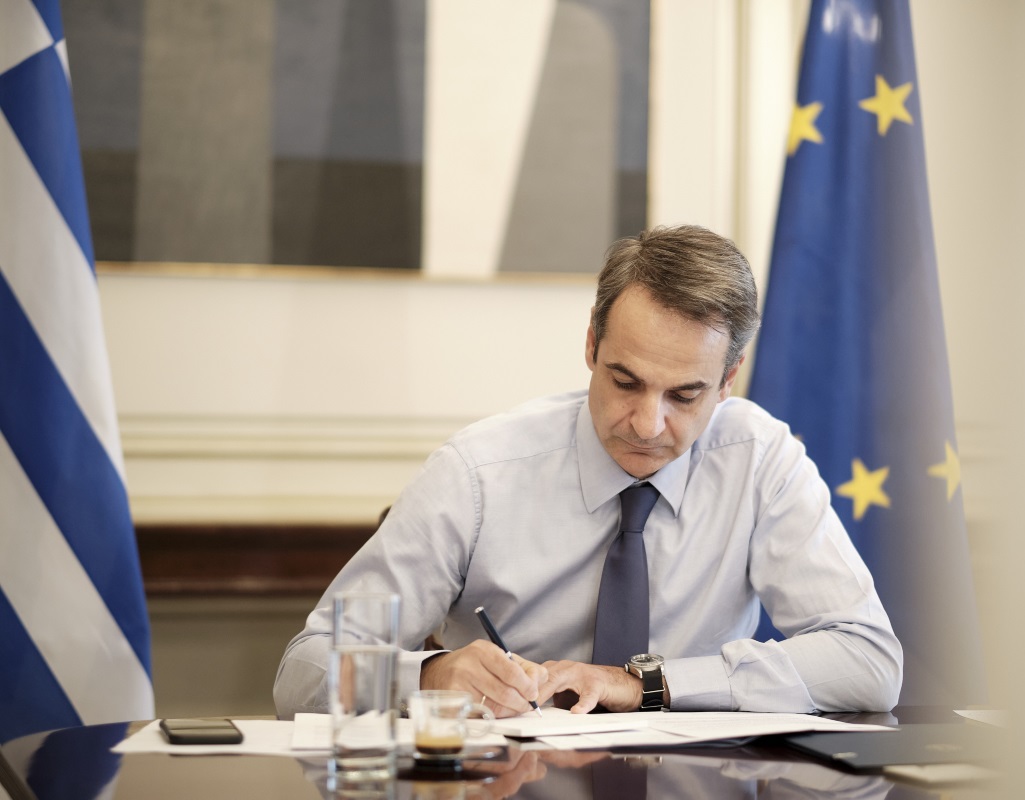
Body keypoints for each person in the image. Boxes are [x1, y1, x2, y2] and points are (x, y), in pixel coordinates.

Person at [274, 225, 901, 720]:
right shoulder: (478, 473)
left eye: (685, 395)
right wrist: (429, 676)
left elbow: (870, 661)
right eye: (625, 382)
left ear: (728, 380)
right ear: (592, 344)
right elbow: (303, 673)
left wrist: (648, 684)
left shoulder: (760, 461)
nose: (648, 424)